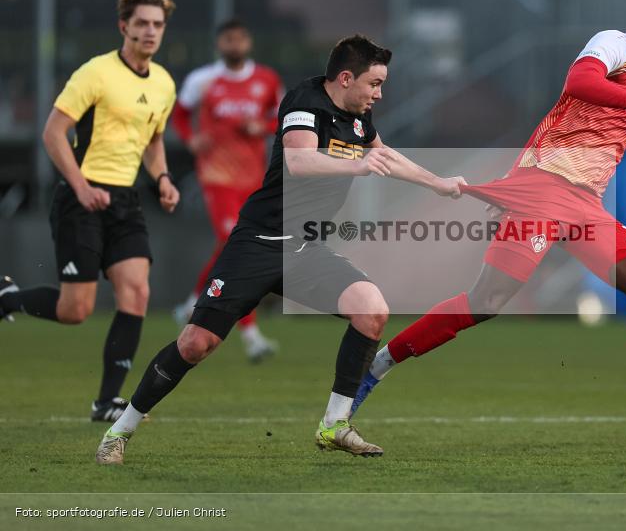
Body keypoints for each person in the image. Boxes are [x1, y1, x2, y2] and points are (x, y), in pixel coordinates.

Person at [350, 0, 626, 446]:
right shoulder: (615, 45)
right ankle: (373, 368)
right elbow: (578, 82)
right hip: (546, 191)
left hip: (583, 204)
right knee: (487, 300)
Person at [95, 34, 466, 464]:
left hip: (305, 249)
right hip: (258, 243)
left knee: (372, 310)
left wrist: (438, 183)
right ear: (346, 78)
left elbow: (385, 156)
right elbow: (298, 162)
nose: (379, 94)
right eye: (375, 84)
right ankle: (119, 432)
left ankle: (334, 425)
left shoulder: (360, 118)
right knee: (196, 344)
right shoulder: (304, 103)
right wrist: (358, 165)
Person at [0, 0, 179, 422]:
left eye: (157, 24)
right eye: (142, 23)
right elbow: (52, 133)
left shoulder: (163, 83)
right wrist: (80, 186)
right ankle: (8, 299)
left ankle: (106, 402)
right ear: (124, 26)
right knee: (75, 311)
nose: (150, 31)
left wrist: (163, 178)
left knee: (136, 291)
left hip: (125, 201)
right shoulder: (95, 73)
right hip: (81, 198)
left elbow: (153, 141)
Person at [170, 18, 283, 362]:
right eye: (228, 39)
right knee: (235, 244)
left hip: (252, 179)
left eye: (239, 38)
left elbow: (282, 118)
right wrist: (192, 140)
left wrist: (261, 127)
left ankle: (192, 302)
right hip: (217, 177)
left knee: (232, 247)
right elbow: (178, 114)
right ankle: (251, 336)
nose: (234, 45)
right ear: (220, 44)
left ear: (247, 42)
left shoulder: (266, 79)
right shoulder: (203, 81)